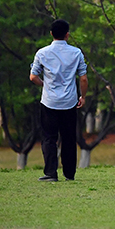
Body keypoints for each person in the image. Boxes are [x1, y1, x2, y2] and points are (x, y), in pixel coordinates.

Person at [29, 19, 87, 181]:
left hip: (49, 102)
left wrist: (44, 85)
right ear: (67, 35)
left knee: (49, 138)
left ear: (51, 34)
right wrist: (82, 97)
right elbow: (83, 79)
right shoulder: (76, 53)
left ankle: (50, 173)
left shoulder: (42, 53)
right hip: (70, 102)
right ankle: (69, 174)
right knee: (69, 138)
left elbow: (33, 76)